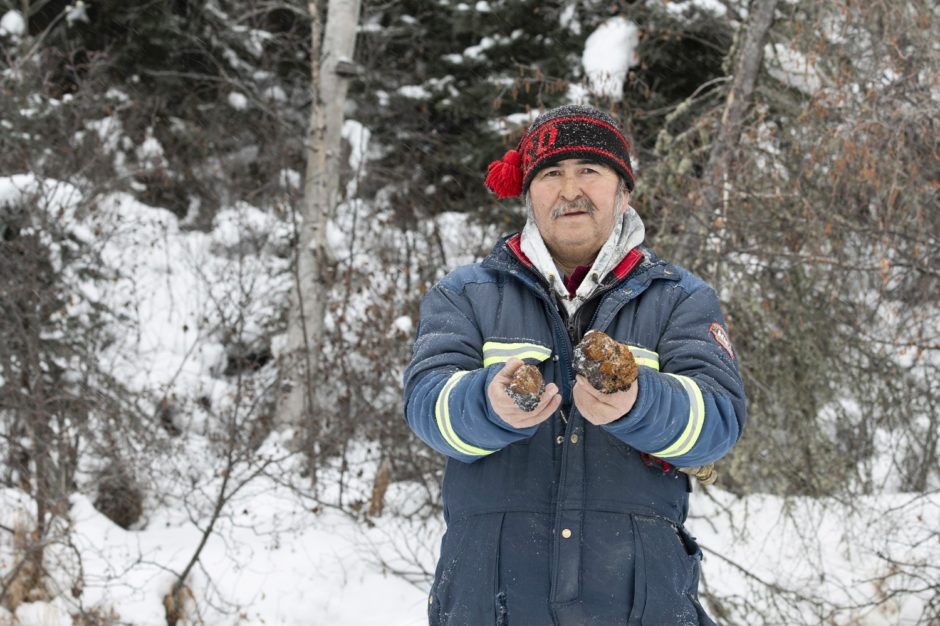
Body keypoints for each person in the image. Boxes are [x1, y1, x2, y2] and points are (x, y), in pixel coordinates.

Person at [403, 104, 746, 625]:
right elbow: (427, 408)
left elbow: (719, 423)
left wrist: (639, 403)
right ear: (528, 194)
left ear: (623, 191)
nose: (570, 190)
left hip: (639, 607)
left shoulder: (681, 299)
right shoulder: (463, 295)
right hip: (489, 604)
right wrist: (488, 403)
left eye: (589, 170)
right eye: (551, 174)